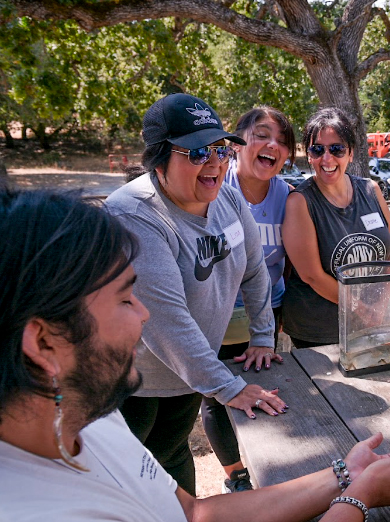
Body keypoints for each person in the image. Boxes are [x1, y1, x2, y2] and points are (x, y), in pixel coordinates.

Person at [0, 188, 390, 522]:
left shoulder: (84, 418)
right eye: (125, 299)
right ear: (43, 344)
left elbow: (192, 513)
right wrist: (358, 499)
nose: (145, 314)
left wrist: (344, 475)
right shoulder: (36, 509)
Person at [105, 93, 286, 495]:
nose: (216, 163)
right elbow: (167, 320)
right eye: (198, 152)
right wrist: (230, 388)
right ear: (158, 158)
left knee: (170, 455)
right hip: (129, 381)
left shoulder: (227, 197)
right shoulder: (135, 215)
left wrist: (261, 336)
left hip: (187, 375)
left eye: (221, 149)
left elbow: (255, 271)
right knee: (124, 481)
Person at [201, 106, 297, 492]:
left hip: (265, 315)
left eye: (282, 140)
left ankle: (266, 469)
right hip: (218, 316)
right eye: (260, 134)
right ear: (237, 142)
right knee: (217, 397)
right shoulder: (213, 190)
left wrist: (271, 326)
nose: (271, 144)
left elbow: (285, 262)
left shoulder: (288, 196)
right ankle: (236, 475)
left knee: (261, 390)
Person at [281, 107, 390, 348]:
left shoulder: (371, 190)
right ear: (309, 155)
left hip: (372, 323)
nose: (327, 158)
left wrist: (380, 305)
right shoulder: (300, 202)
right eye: (318, 150)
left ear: (351, 154)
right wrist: (361, 309)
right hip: (319, 332)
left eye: (336, 149)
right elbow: (311, 275)